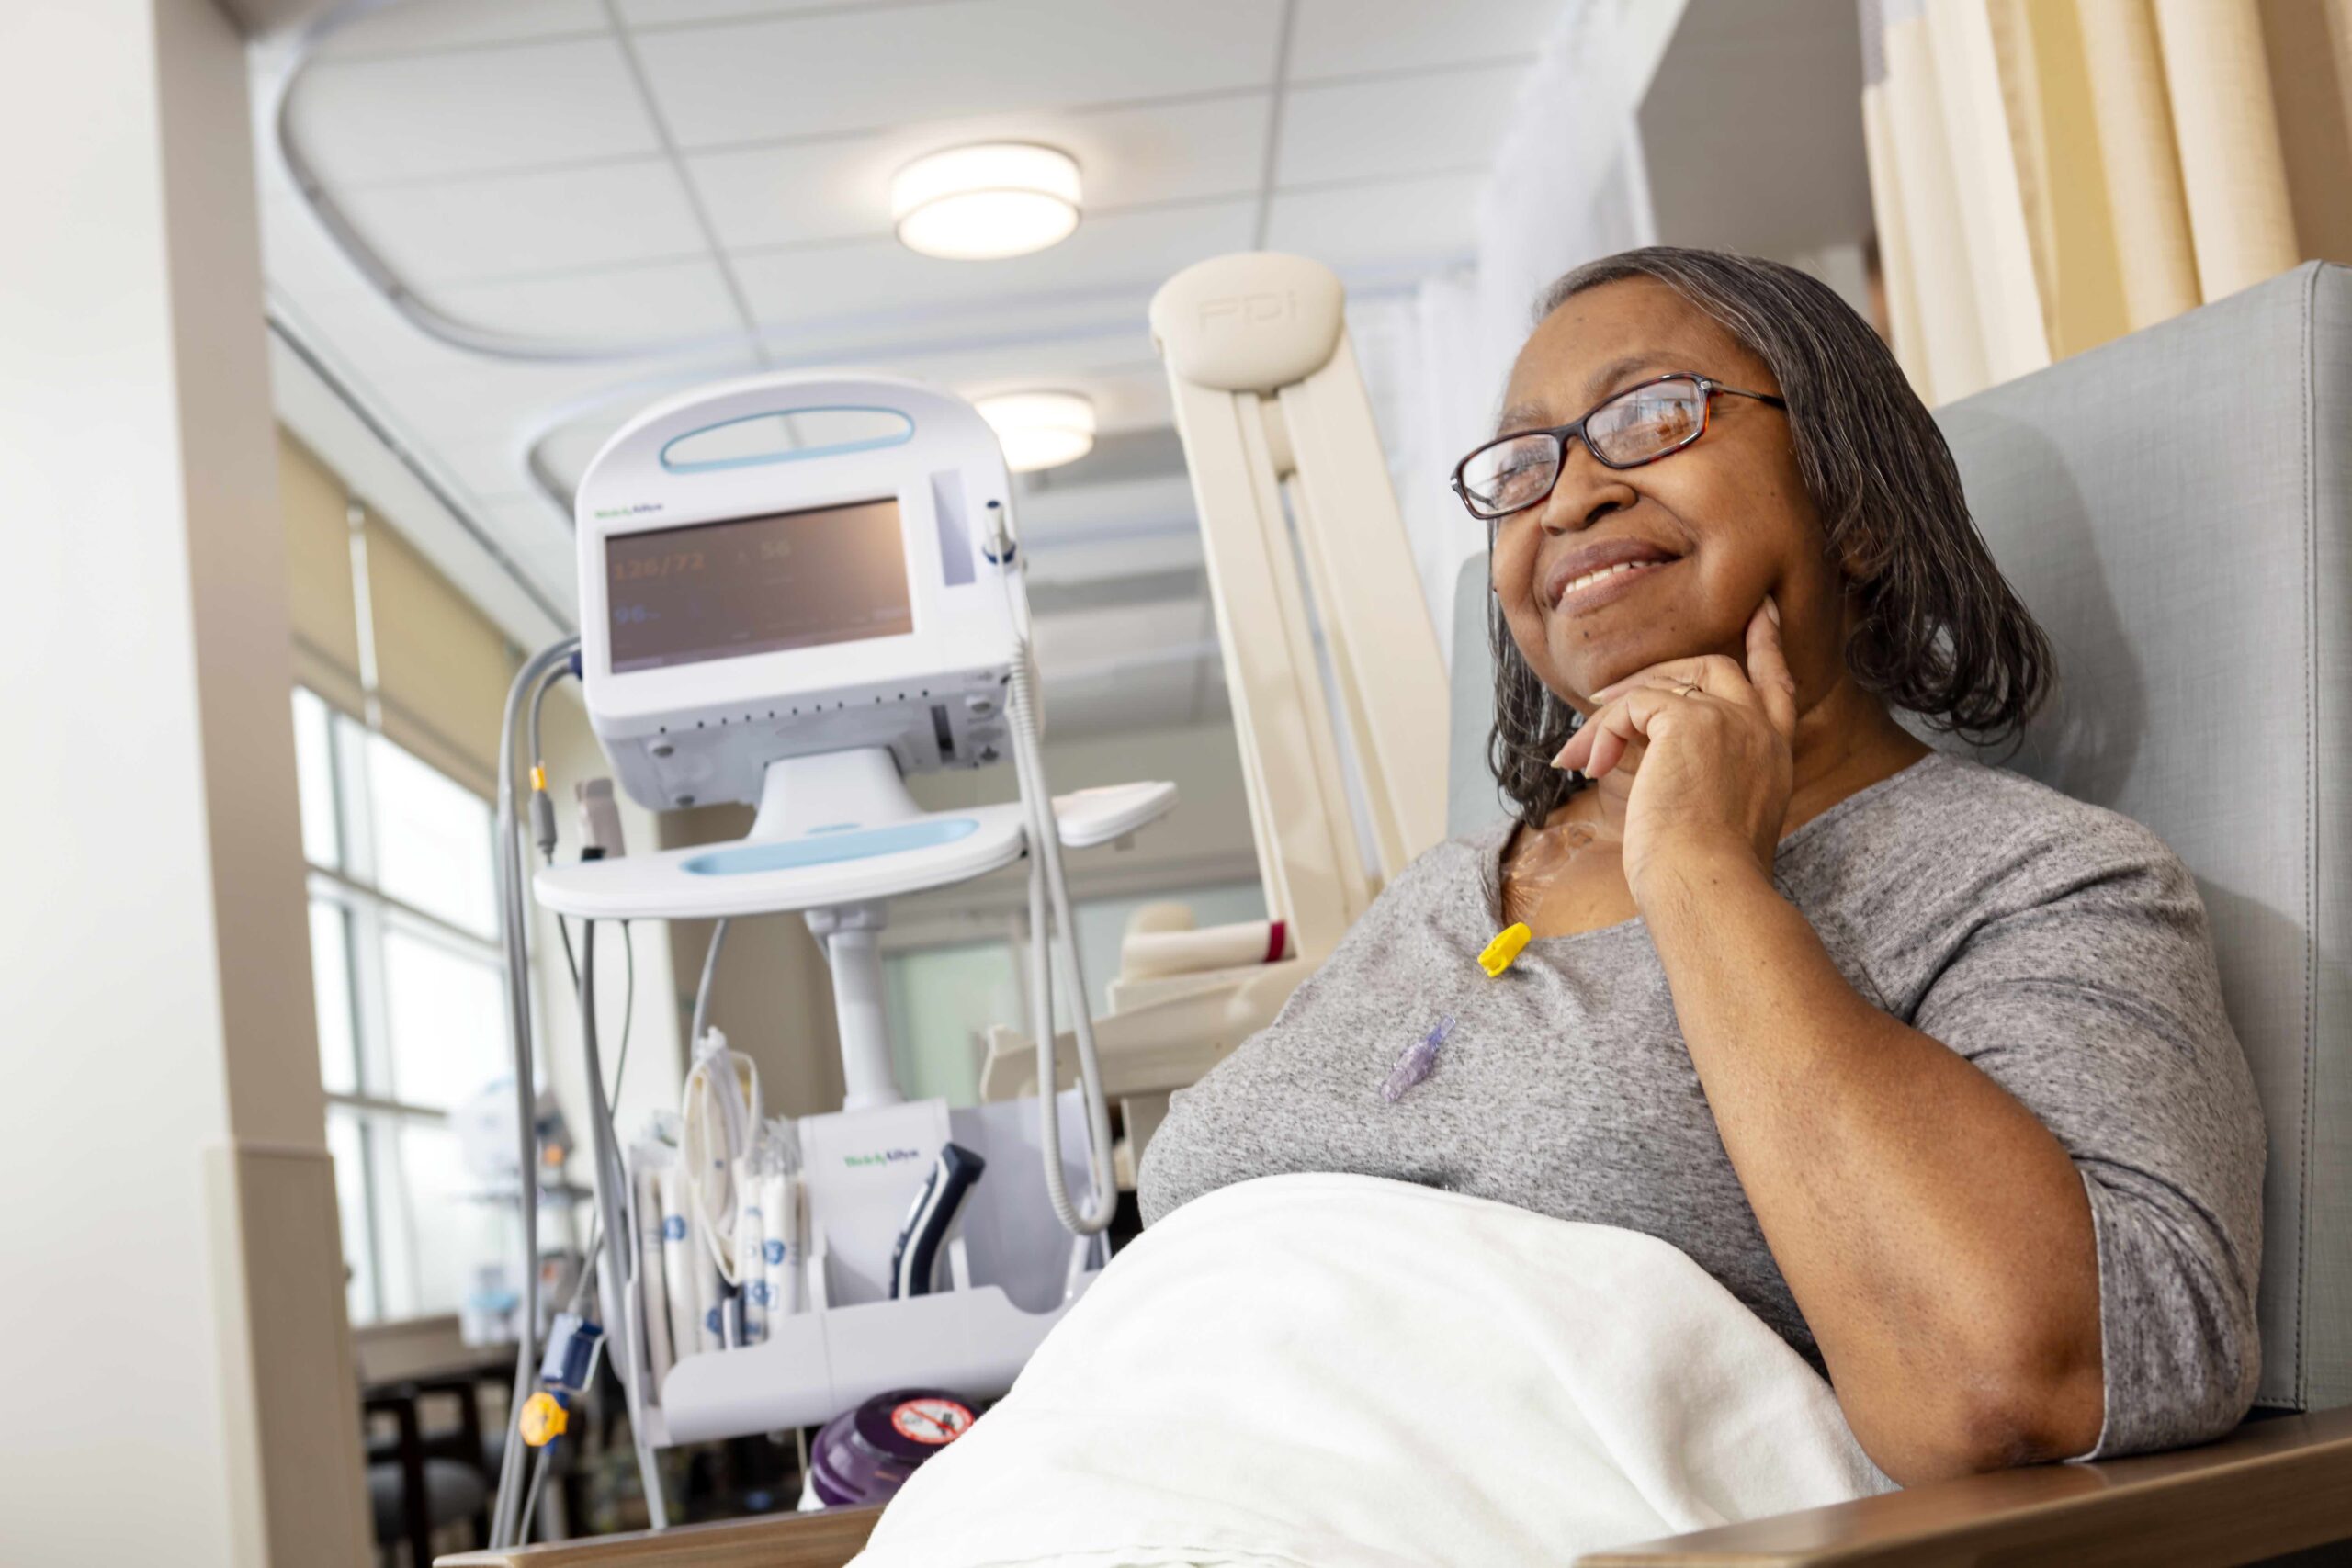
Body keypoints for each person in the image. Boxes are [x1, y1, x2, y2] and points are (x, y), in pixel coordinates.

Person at [1138, 246, 2264, 1485]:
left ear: (1857, 507)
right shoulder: (1435, 896)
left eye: (1650, 415)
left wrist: (1698, 869)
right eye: (1524, 466)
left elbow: (2022, 1382)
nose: (1568, 499)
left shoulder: (2032, 881)